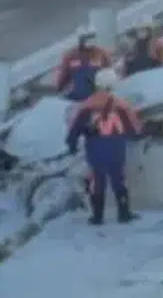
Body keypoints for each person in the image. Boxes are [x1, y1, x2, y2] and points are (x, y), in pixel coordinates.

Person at [66, 68, 141, 225]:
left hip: (95, 149)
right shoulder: (121, 105)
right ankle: (124, 213)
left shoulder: (86, 105)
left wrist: (72, 144)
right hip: (116, 148)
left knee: (97, 182)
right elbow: (134, 128)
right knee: (119, 180)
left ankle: (97, 216)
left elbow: (74, 129)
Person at [56, 26, 112, 102]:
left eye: (92, 36)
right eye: (87, 37)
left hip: (97, 95)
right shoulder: (70, 55)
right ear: (80, 39)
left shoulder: (101, 54)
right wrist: (59, 89)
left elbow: (109, 75)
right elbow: (62, 78)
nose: (90, 40)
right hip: (77, 95)